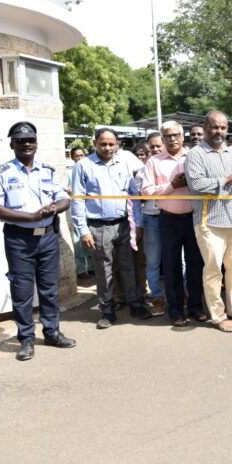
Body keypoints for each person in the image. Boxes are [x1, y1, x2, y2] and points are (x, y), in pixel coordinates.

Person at [0, 122, 76, 361]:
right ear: (12, 144)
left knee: (49, 289)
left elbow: (64, 198)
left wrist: (55, 207)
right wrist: (32, 217)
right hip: (20, 241)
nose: (26, 144)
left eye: (30, 140)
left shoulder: (47, 171)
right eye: (20, 140)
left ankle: (52, 332)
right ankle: (26, 339)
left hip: (47, 238)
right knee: (22, 292)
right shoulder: (1, 173)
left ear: (36, 143)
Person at [72, 128, 152, 329]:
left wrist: (138, 224)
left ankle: (135, 304)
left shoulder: (124, 162)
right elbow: (78, 201)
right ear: (95, 143)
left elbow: (133, 196)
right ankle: (107, 310)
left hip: (124, 224)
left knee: (129, 266)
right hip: (98, 227)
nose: (107, 148)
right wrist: (83, 231)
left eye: (111, 144)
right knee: (104, 270)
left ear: (117, 144)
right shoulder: (83, 166)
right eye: (103, 144)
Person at [185, 110, 232, 333]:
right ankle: (218, 315)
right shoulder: (196, 154)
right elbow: (196, 185)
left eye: (223, 128)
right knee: (214, 270)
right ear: (205, 128)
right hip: (209, 222)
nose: (219, 132)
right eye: (215, 127)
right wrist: (227, 179)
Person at [141, 121, 206, 327]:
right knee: (172, 267)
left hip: (194, 218)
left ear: (183, 136)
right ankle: (176, 310)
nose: (172, 139)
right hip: (168, 219)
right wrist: (172, 186)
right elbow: (146, 191)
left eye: (176, 134)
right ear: (162, 138)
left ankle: (196, 307)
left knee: (196, 265)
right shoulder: (154, 162)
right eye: (167, 136)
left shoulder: (194, 156)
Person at [134, 132, 165, 316]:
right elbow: (139, 199)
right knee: (152, 261)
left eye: (158, 146)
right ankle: (157, 298)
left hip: (173, 218)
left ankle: (182, 294)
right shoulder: (141, 172)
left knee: (180, 261)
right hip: (151, 219)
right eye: (151, 147)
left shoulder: (174, 167)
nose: (155, 150)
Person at [69, 146, 93, 278]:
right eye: (76, 156)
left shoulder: (89, 169)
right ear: (72, 158)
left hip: (89, 208)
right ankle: (81, 270)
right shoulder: (69, 172)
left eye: (81, 155)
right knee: (78, 239)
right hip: (77, 208)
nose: (79, 158)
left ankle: (91, 267)